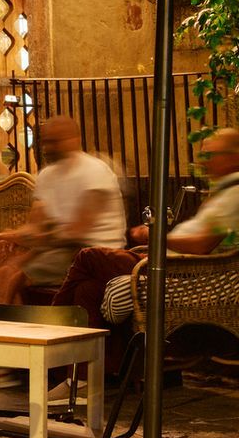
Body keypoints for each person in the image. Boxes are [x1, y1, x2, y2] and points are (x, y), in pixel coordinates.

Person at [0, 117, 125, 388]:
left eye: (55, 140)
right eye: (46, 140)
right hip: (56, 246)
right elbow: (38, 222)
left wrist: (34, 239)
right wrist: (11, 237)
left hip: (92, 250)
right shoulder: (47, 175)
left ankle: (6, 363)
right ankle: (11, 359)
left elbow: (80, 229)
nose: (48, 146)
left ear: (73, 138)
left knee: (14, 275)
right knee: (2, 271)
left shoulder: (94, 172)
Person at [54, 126, 239, 330]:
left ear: (234, 157)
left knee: (89, 257)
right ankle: (93, 360)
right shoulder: (223, 192)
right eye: (204, 154)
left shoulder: (235, 194)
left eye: (212, 154)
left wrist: (156, 236)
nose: (205, 161)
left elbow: (201, 245)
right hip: (170, 261)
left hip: (180, 270)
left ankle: (51, 323)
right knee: (88, 289)